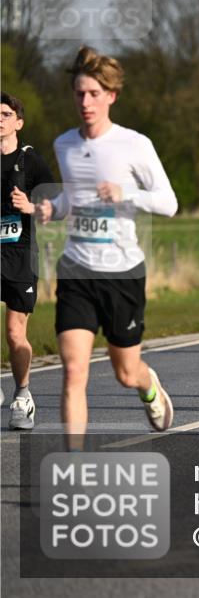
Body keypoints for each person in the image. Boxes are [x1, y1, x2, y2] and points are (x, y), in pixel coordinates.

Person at [37, 47, 178, 450]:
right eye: (79, 94)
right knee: (74, 369)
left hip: (122, 274)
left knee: (125, 371)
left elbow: (169, 203)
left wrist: (125, 192)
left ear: (111, 96)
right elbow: (72, 200)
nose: (85, 103)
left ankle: (148, 387)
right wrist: (53, 207)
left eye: (94, 94)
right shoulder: (64, 144)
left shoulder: (134, 145)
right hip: (77, 271)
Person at [1, 92, 55, 430]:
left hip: (20, 255)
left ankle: (22, 395)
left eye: (5, 114)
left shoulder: (30, 161)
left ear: (19, 122)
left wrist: (31, 207)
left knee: (14, 332)